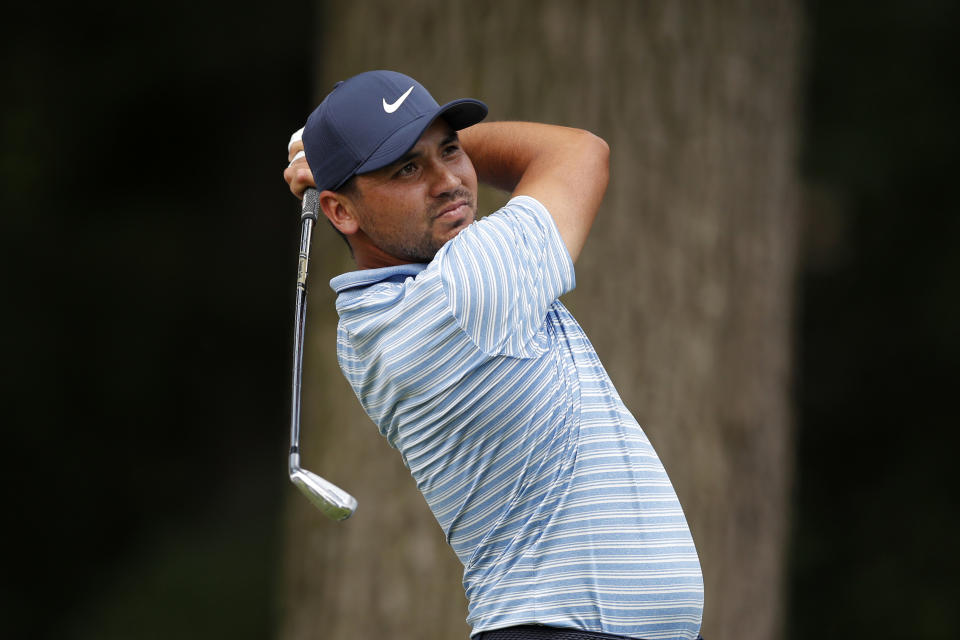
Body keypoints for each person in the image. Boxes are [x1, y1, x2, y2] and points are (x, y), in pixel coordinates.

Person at [284, 70, 704, 640]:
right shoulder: (463, 293)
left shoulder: (366, 322)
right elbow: (580, 152)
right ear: (339, 212)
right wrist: (355, 159)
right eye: (407, 168)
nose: (448, 182)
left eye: (451, 150)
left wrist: (354, 163)